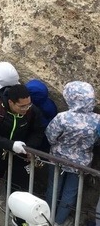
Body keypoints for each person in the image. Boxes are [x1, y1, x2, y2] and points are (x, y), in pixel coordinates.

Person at [0, 84, 45, 224]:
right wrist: (10, 145)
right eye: (22, 106)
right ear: (11, 102)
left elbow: (38, 131)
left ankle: (19, 217)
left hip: (20, 154)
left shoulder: (32, 111)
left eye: (28, 105)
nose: (26, 109)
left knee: (20, 186)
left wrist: (29, 147)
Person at [45, 81, 100, 226]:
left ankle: (46, 217)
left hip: (57, 158)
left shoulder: (62, 118)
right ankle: (59, 221)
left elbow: (50, 136)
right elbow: (98, 141)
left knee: (53, 187)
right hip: (81, 163)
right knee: (71, 192)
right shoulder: (97, 120)